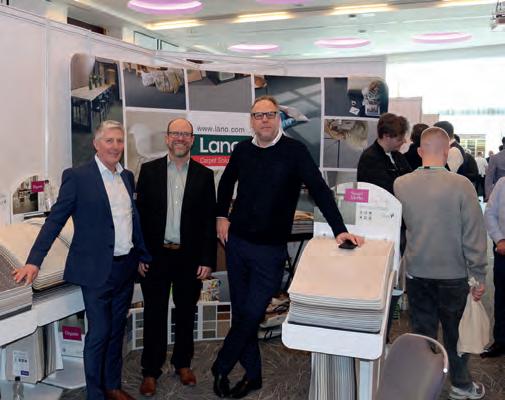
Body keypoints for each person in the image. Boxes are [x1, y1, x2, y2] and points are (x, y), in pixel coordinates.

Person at [211, 95, 363, 399]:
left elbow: (319, 190)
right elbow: (226, 183)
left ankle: (221, 365)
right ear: (252, 121)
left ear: (279, 118)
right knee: (242, 313)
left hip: (270, 251)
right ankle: (253, 375)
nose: (264, 120)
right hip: (238, 245)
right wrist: (221, 216)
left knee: (252, 313)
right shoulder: (242, 150)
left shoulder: (295, 151)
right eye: (258, 115)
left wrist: (340, 229)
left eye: (270, 114)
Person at [13, 121, 150, 400]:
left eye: (119, 141)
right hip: (96, 270)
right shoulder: (77, 177)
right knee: (99, 333)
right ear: (96, 144)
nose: (115, 146)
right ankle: (95, 395)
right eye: (109, 141)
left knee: (117, 331)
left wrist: (143, 254)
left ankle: (113, 386)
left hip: (126, 267)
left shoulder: (127, 176)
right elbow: (55, 220)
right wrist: (34, 261)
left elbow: (132, 219)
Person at [394, 127, 487, 400]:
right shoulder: (462, 185)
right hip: (454, 274)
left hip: (417, 271)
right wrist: (478, 275)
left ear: (419, 151)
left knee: (422, 334)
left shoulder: (401, 184)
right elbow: (474, 235)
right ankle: (461, 385)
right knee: (456, 334)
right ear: (447, 152)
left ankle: (422, 387)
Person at [135, 118, 217, 396]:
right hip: (155, 257)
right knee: (154, 314)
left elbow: (208, 221)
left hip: (189, 259)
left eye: (185, 134)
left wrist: (207, 259)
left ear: (192, 140)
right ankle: (150, 370)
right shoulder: (149, 171)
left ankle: (182, 363)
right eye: (175, 133)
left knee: (185, 313)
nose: (180, 138)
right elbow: (140, 218)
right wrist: (141, 254)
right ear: (167, 138)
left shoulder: (205, 175)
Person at [357, 112, 412, 195]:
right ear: (386, 136)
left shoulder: (398, 156)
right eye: (399, 139)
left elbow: (410, 179)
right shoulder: (370, 158)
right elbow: (385, 190)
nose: (404, 141)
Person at [482, 176, 505, 358]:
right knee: (502, 298)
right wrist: (499, 239)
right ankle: (501, 341)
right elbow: (490, 213)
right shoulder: (502, 183)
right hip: (503, 250)